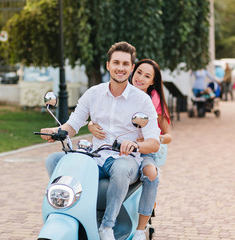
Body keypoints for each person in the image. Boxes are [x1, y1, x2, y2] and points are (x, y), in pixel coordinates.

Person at [40, 42, 160, 240]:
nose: (120, 68)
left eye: (125, 64)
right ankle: (74, 213)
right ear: (108, 65)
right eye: (116, 63)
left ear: (131, 68)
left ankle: (107, 226)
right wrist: (54, 131)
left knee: (121, 167)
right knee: (54, 160)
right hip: (94, 157)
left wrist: (135, 145)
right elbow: (72, 125)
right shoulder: (93, 93)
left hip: (124, 158)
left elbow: (154, 142)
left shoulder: (141, 100)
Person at [89, 59, 172, 240]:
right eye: (139, 72)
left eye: (147, 76)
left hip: (144, 151)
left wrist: (152, 138)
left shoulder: (153, 102)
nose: (140, 78)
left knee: (151, 172)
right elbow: (103, 117)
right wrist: (90, 125)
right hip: (116, 150)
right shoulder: (119, 93)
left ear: (152, 82)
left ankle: (141, 230)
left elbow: (168, 136)